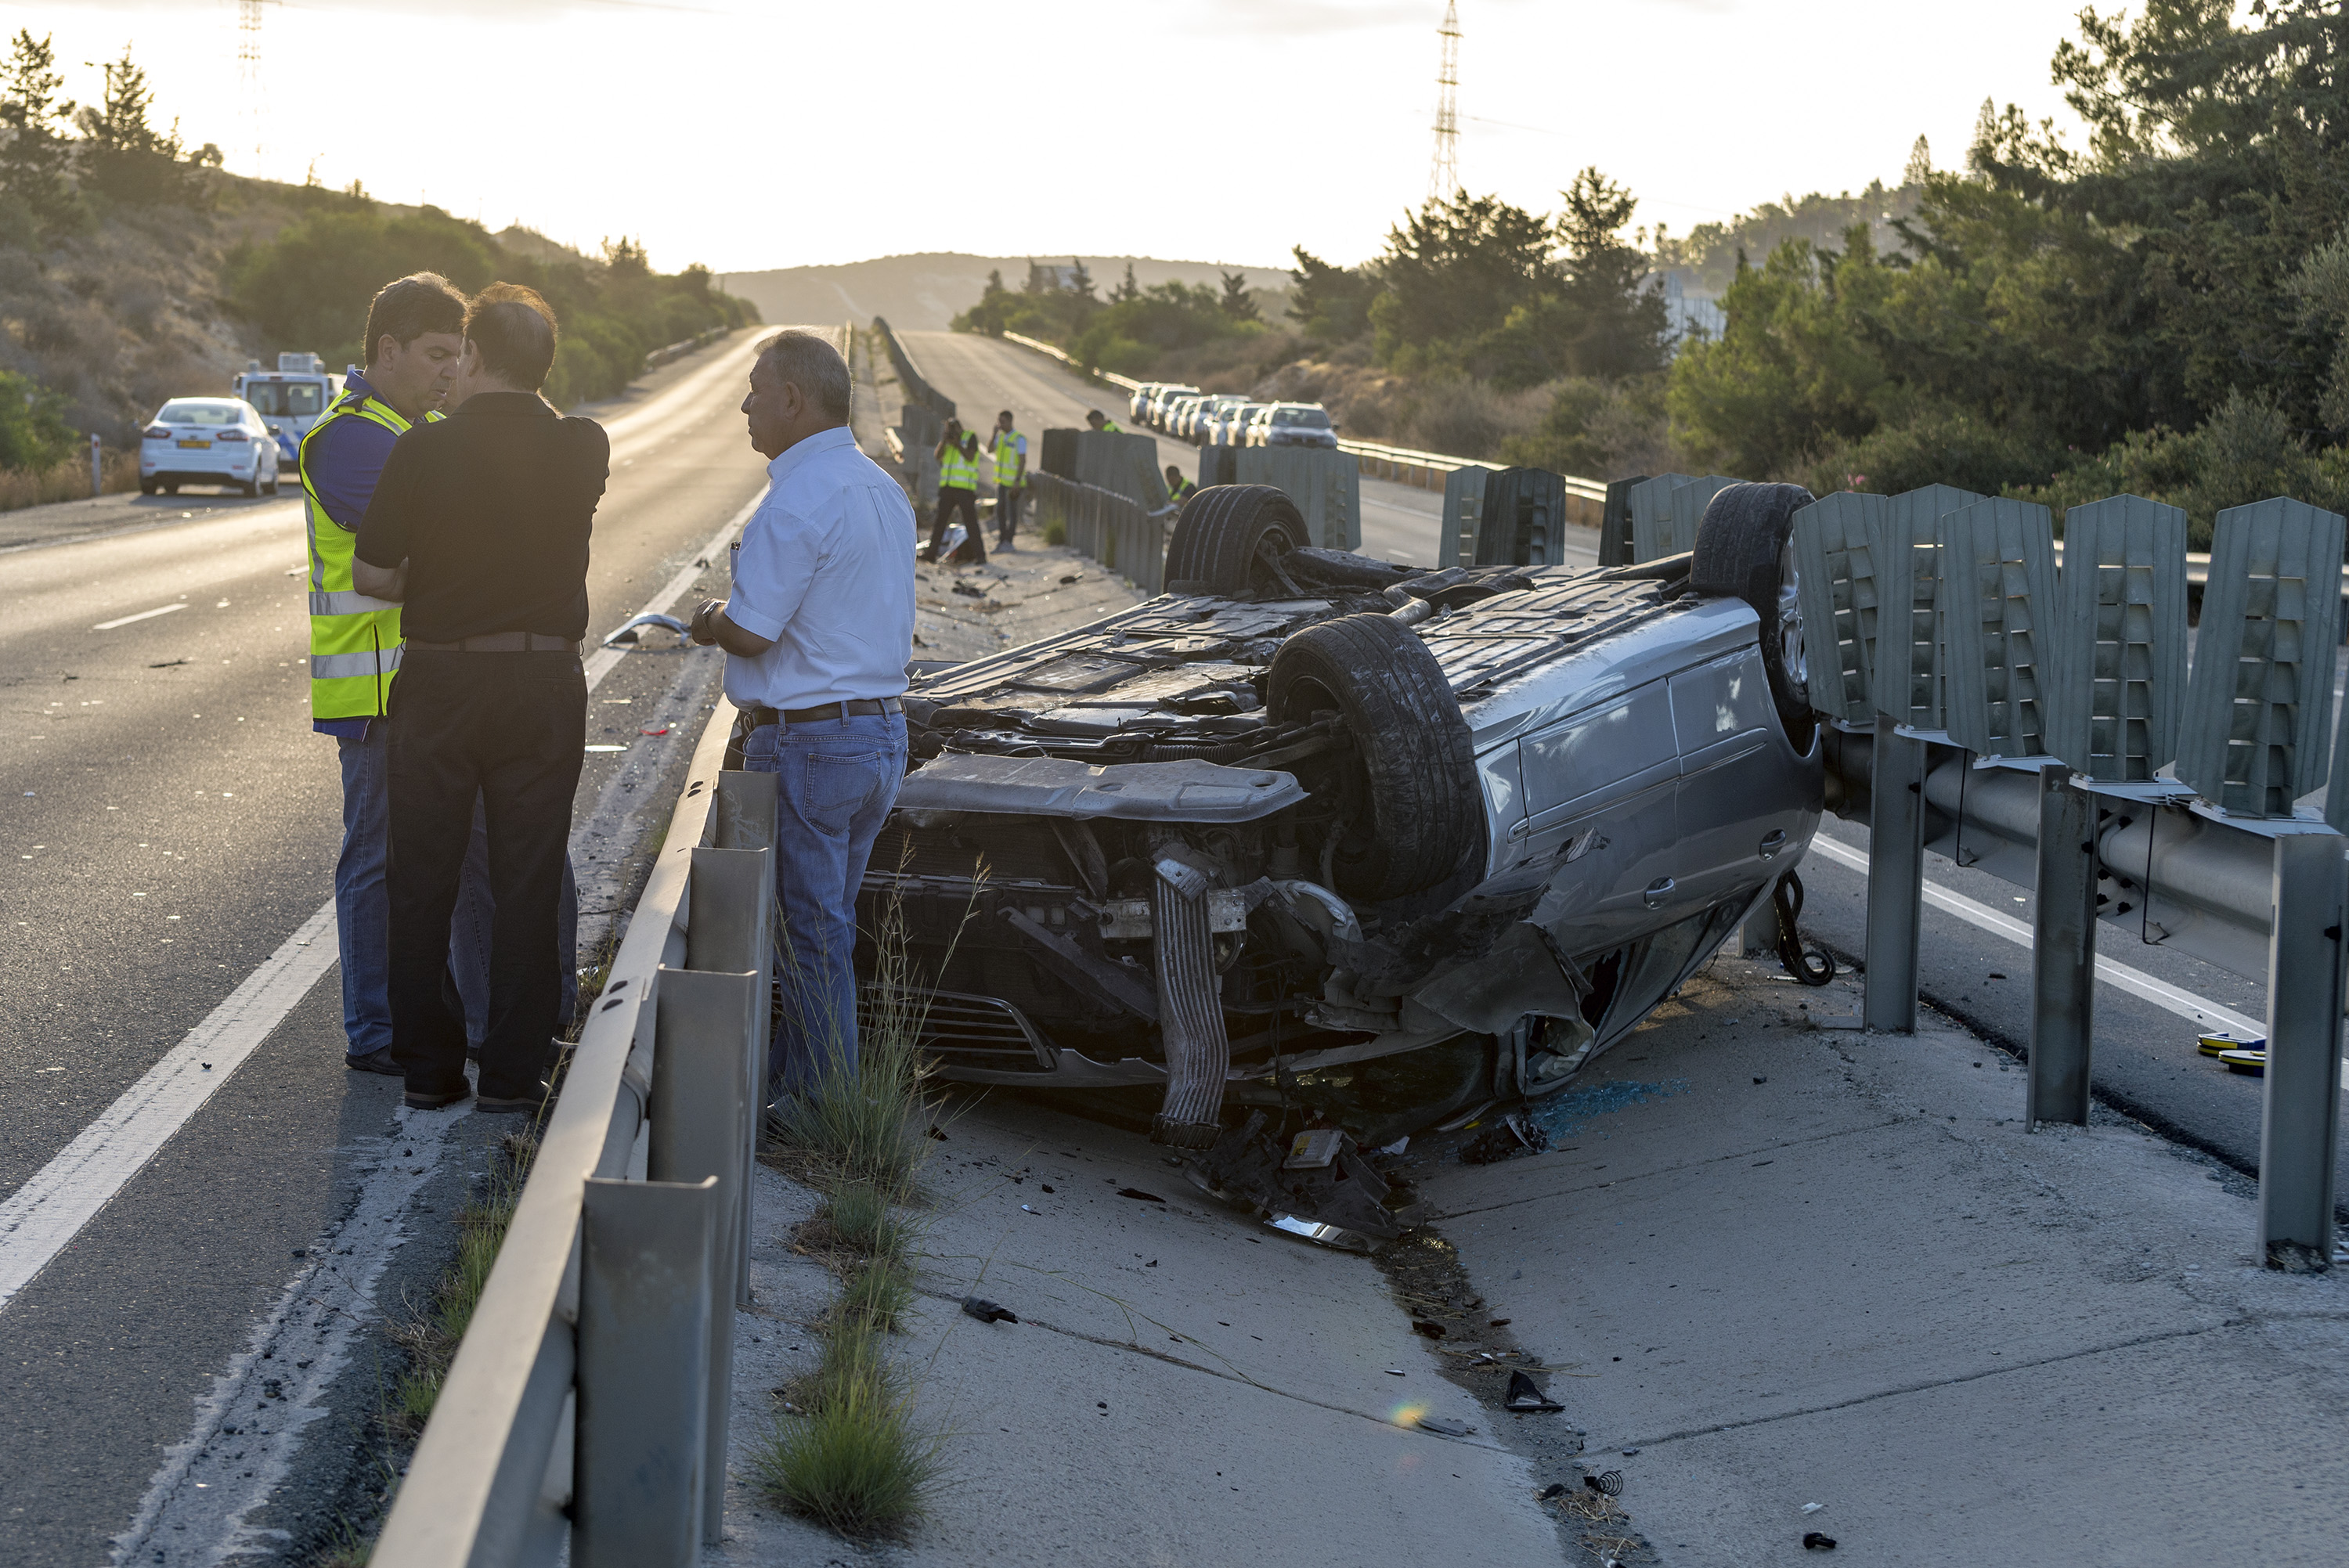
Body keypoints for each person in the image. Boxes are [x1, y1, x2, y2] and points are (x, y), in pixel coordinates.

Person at [352, 283, 608, 1113]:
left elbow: (373, 575)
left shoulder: (421, 450)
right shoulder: (583, 444)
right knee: (526, 876)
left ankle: (429, 1069)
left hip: (440, 682)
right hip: (543, 682)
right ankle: (513, 1072)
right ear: (545, 364)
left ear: (470, 356)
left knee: (420, 876)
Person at [689, 330, 915, 1096]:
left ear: (792, 398)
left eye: (755, 389)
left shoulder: (796, 498)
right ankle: (797, 1083)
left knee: (809, 935)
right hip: (881, 733)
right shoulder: (882, 488)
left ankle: (822, 1104)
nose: (745, 404)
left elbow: (754, 630)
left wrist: (710, 615)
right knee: (824, 926)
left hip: (813, 745)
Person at [301, 272, 497, 1077]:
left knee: (461, 860)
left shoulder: (421, 429)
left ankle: (462, 1017)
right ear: (387, 350)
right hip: (377, 693)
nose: (449, 371)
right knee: (379, 863)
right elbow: (442, 545)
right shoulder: (350, 436)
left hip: (433, 686)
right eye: (435, 354)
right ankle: (374, 1031)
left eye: (460, 356)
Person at [926, 419, 983, 564]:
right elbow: (937, 456)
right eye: (948, 429)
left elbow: (970, 457)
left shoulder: (970, 437)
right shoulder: (947, 442)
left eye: (953, 429)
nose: (951, 432)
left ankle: (980, 556)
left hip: (965, 489)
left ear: (960, 427)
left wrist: (958, 443)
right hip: (948, 488)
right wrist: (944, 441)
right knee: (940, 522)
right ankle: (931, 554)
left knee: (971, 523)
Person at [989, 408, 1027, 549]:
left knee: (1011, 512)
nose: (1000, 424)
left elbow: (1022, 460)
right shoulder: (1001, 437)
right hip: (1002, 482)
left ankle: (1009, 540)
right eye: (999, 421)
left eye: (1003, 422)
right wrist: (993, 435)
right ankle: (1002, 537)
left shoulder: (1019, 438)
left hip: (1014, 483)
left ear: (1010, 421)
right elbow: (989, 450)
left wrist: (1017, 481)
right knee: (1000, 510)